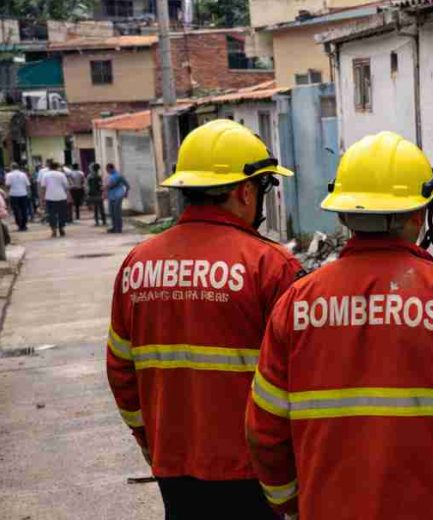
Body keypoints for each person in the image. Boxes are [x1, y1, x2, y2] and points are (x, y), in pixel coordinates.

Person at [246, 132, 433, 519]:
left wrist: (290, 502)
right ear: (420, 214)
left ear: (342, 214)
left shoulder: (296, 304)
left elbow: (265, 431)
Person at [106, 119, 299, 520]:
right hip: (252, 470)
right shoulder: (271, 265)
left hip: (171, 464)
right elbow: (300, 378)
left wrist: (148, 439)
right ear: (246, 192)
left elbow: (120, 369)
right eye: (264, 188)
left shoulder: (137, 263)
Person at [41, 160, 70, 237]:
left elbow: (43, 187)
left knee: (51, 214)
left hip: (50, 197)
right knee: (62, 214)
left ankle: (53, 230)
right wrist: (69, 196)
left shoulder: (45, 175)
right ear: (57, 167)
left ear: (49, 167)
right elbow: (66, 187)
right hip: (61, 196)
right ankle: (61, 228)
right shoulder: (61, 175)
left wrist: (42, 198)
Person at [4, 164, 31, 231]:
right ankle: (24, 225)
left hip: (13, 194)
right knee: (24, 210)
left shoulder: (9, 175)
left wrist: (7, 192)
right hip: (23, 194)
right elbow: (27, 185)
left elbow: (7, 185)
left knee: (16, 210)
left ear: (12, 168)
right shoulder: (23, 174)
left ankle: (19, 225)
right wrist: (28, 193)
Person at [106, 163, 129, 233]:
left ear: (110, 168)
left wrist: (126, 193)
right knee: (112, 212)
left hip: (118, 196)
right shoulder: (110, 176)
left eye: (107, 169)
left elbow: (127, 185)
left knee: (116, 212)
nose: (107, 171)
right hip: (112, 196)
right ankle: (114, 227)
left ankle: (118, 228)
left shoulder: (117, 176)